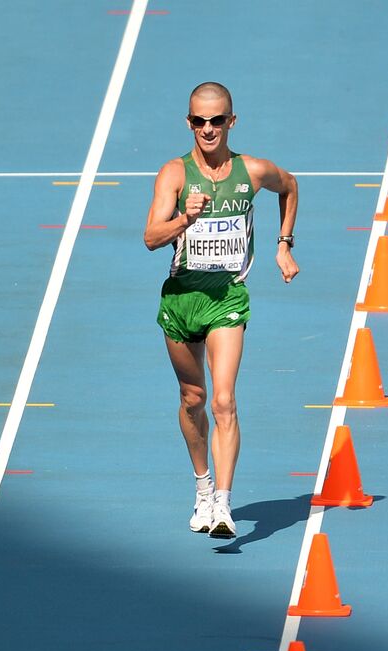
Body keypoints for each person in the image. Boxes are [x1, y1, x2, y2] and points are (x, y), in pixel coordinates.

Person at [143, 82, 299, 539]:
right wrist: (184, 219)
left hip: (227, 298)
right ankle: (203, 487)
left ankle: (224, 508)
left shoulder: (251, 171)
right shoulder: (174, 174)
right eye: (198, 121)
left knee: (223, 400)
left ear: (231, 121)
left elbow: (289, 187)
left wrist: (283, 246)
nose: (207, 129)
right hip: (180, 299)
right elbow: (151, 238)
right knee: (192, 400)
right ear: (188, 122)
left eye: (216, 120)